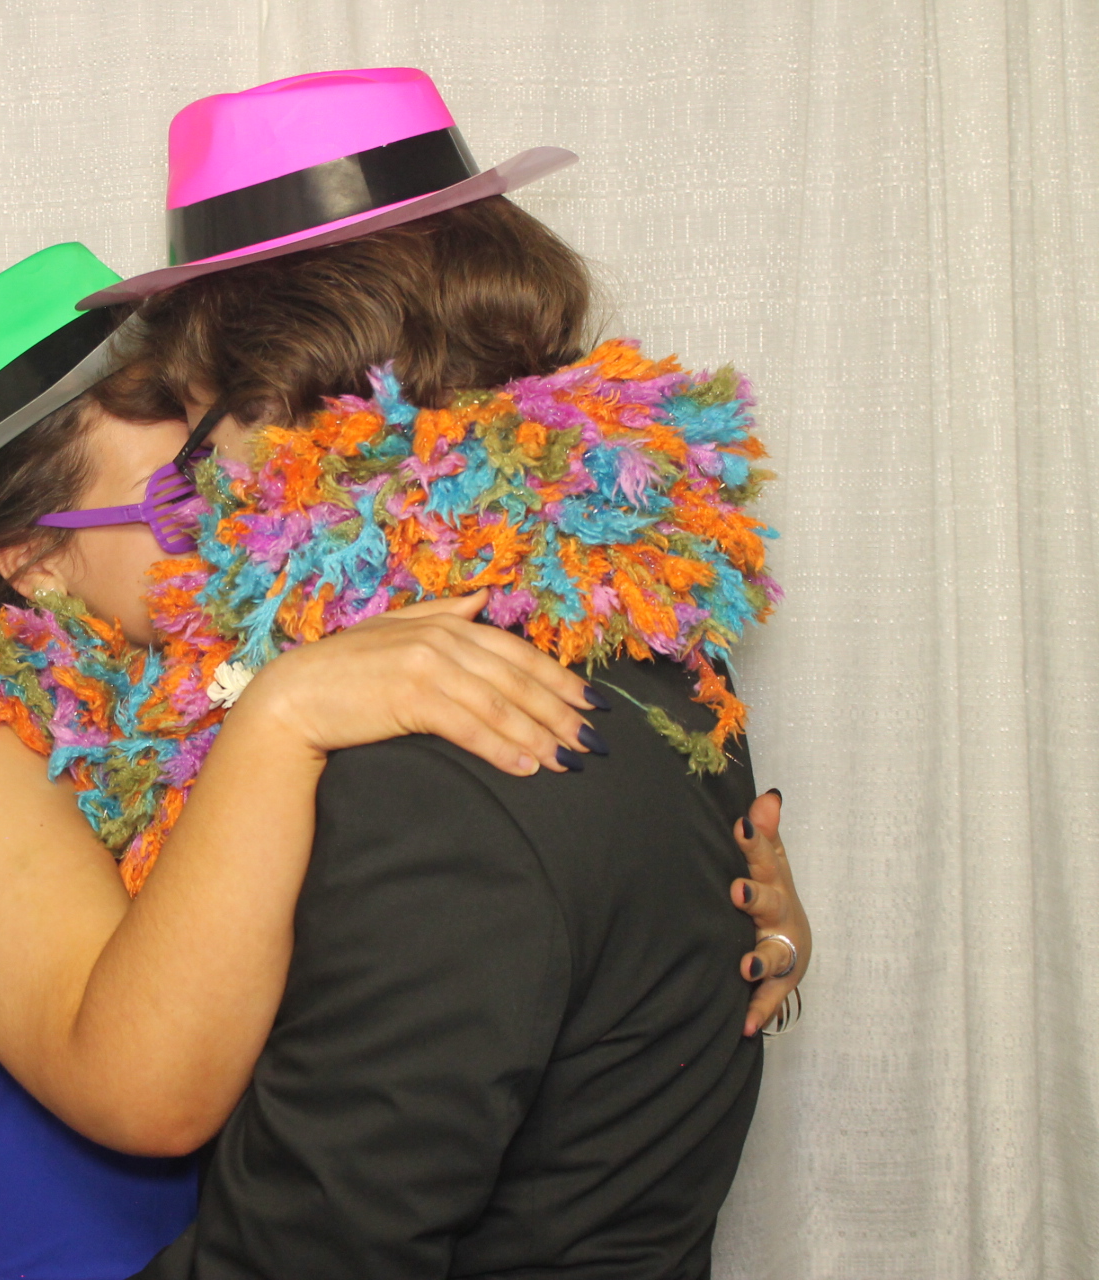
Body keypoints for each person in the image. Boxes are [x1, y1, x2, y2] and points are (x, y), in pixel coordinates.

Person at [0, 229, 806, 1280]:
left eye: (235, 464)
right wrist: (283, 717)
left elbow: (403, 961)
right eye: (184, 501)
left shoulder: (254, 677)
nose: (246, 512)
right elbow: (146, 1088)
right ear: (32, 559)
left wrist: (682, 907)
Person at [72, 68, 809, 1278]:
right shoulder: (649, 621)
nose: (203, 495)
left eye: (203, 431)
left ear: (286, 403)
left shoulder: (425, 769)